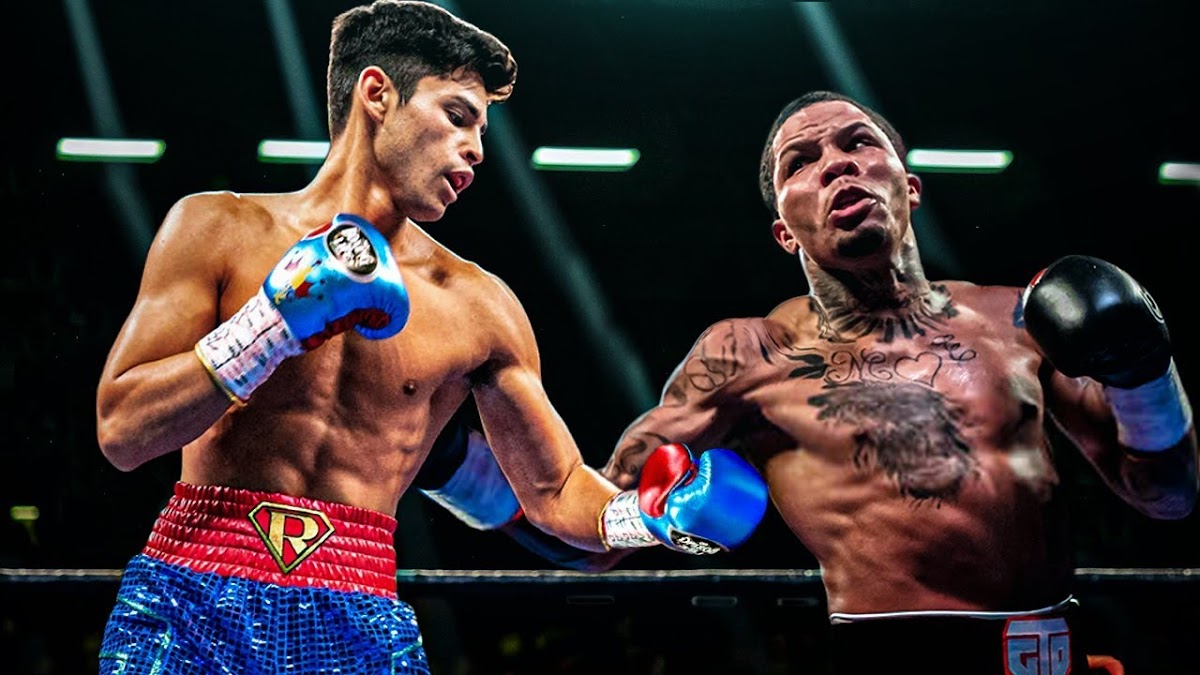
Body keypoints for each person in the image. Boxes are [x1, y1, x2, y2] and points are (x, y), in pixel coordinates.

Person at [416, 90, 1197, 674]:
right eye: (803, 160)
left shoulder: (1019, 322)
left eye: (859, 144)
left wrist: (1143, 372)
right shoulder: (747, 355)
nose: (838, 164)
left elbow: (1165, 494)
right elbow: (588, 533)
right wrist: (451, 463)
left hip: (1048, 658)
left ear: (909, 185)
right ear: (784, 230)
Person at [92, 2, 767, 672]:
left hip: (357, 605)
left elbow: (557, 490)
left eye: (482, 127)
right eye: (457, 115)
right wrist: (271, 322)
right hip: (192, 592)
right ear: (377, 94)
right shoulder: (217, 228)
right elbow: (123, 432)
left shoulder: (479, 304)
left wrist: (645, 515)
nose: (475, 147)